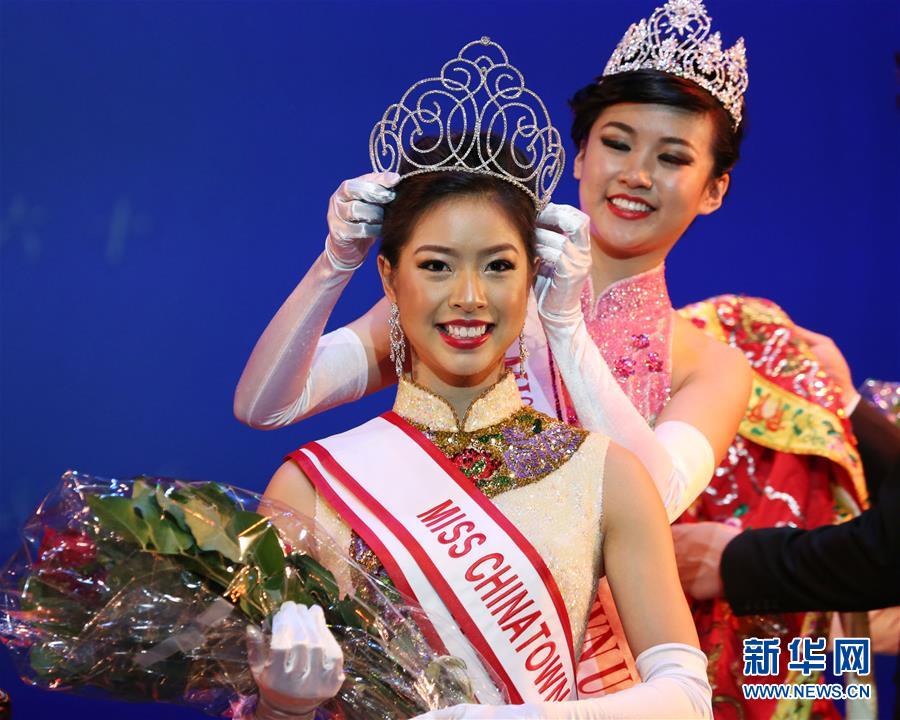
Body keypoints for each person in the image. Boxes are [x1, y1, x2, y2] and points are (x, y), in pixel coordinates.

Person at [248, 39, 712, 720]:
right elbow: (265, 404)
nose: (469, 295)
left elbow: (688, 699)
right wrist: (283, 706)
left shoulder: (608, 475)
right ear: (390, 279)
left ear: (535, 276)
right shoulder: (315, 485)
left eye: (498, 266)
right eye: (436, 266)